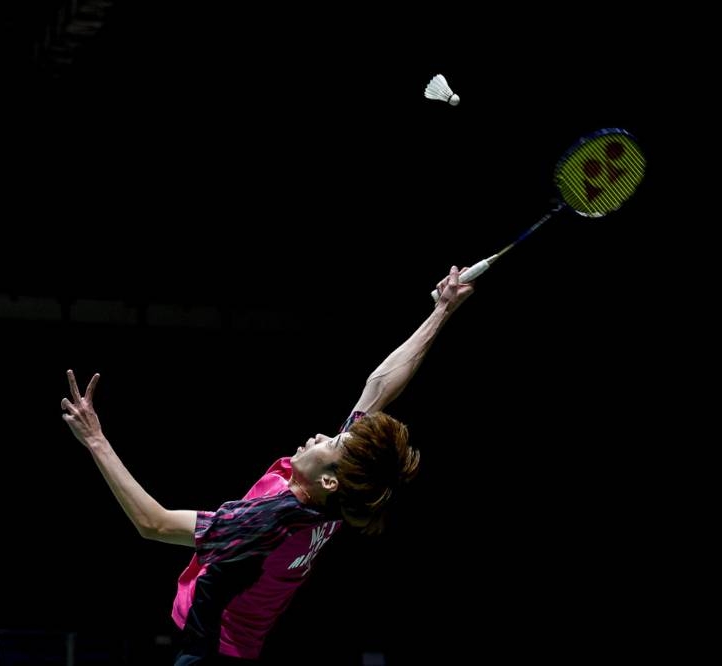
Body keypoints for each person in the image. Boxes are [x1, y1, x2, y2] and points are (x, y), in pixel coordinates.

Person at [61, 266, 474, 664]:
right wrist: (441, 311)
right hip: (240, 646)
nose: (321, 436)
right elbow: (379, 386)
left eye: (330, 444)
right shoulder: (339, 500)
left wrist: (96, 440)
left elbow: (154, 523)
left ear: (329, 480)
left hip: (207, 648)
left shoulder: (270, 520)